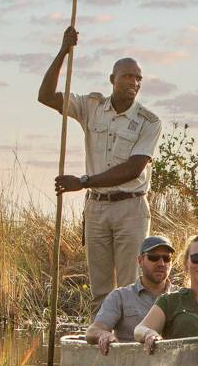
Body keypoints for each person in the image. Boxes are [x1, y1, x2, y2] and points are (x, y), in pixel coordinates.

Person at [37, 25, 162, 302]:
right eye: (128, 76)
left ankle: (130, 343)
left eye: (139, 78)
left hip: (131, 208)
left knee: (132, 289)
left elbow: (134, 168)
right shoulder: (91, 107)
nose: (134, 82)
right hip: (96, 209)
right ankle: (100, 341)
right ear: (112, 79)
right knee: (100, 291)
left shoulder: (149, 121)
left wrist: (82, 182)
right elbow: (45, 96)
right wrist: (63, 52)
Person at [86, 235, 175, 354]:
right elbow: (93, 331)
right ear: (140, 261)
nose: (161, 263)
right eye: (153, 257)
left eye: (166, 258)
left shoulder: (182, 296)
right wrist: (104, 335)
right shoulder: (120, 296)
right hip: (130, 365)